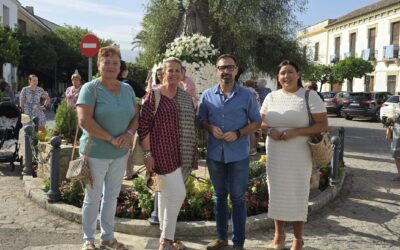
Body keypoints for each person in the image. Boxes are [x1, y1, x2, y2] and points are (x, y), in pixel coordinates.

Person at [260, 60, 327, 250]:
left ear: (298, 74)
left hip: (299, 153)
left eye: (290, 72)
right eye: (282, 73)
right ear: (277, 77)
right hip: (275, 152)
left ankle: (298, 239)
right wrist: (270, 130)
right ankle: (278, 236)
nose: (286, 76)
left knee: (298, 193)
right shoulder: (271, 97)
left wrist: (295, 132)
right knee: (276, 193)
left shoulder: (309, 95)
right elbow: (262, 122)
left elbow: (322, 125)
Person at [76, 46, 138, 250]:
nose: (111, 66)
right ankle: (88, 239)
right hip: (95, 153)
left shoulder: (127, 89)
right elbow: (84, 121)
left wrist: (128, 134)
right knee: (93, 197)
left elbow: (136, 116)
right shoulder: (90, 89)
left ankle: (107, 237)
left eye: (115, 63)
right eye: (107, 62)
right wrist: (111, 138)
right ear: (99, 65)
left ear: (120, 66)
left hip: (120, 154)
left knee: (112, 196)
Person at [198, 54, 262, 250]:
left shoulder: (247, 95)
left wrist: (238, 133)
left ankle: (238, 243)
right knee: (219, 196)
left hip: (238, 155)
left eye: (230, 67)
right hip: (215, 154)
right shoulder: (207, 95)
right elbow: (200, 120)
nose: (226, 71)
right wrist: (210, 128)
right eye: (222, 67)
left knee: (238, 198)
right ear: (217, 71)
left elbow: (257, 122)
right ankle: (221, 237)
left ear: (236, 70)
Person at [138, 57, 197, 250]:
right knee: (179, 193)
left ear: (182, 74)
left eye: (177, 70)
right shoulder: (153, 96)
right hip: (160, 151)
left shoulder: (184, 96)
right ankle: (167, 240)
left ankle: (165, 235)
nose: (173, 74)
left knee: (165, 194)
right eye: (169, 70)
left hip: (181, 151)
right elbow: (143, 127)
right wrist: (147, 154)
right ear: (162, 73)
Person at [243, 80, 260, 155]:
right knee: (254, 131)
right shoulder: (255, 92)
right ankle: (254, 148)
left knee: (250, 132)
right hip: (256, 111)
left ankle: (250, 149)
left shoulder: (246, 90)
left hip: (248, 112)